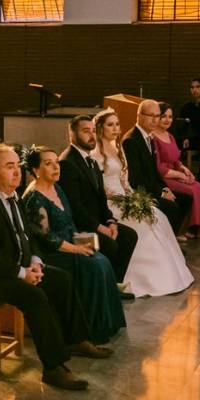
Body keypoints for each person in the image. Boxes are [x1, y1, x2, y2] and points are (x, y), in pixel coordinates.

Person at [0, 144, 109, 392]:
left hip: (13, 268)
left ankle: (76, 340)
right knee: (34, 296)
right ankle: (53, 368)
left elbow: (27, 236)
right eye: (9, 167)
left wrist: (35, 262)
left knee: (61, 279)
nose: (17, 172)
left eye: (17, 165)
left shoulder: (11, 196)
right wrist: (22, 274)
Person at [22, 146, 126, 344]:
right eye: (48, 163)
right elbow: (47, 238)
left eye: (56, 162)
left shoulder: (57, 187)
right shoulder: (34, 198)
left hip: (69, 241)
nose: (56, 167)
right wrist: (77, 249)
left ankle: (107, 323)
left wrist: (81, 239)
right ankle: (89, 331)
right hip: (50, 252)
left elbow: (69, 222)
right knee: (93, 265)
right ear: (36, 170)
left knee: (102, 260)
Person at [94, 109, 194, 297]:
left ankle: (170, 274)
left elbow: (125, 181)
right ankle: (139, 279)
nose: (115, 128)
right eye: (110, 124)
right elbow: (101, 188)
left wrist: (136, 199)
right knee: (143, 227)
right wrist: (121, 200)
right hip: (111, 202)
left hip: (126, 197)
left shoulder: (118, 148)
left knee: (158, 217)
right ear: (100, 128)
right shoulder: (96, 154)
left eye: (117, 124)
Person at [58, 115, 138, 290]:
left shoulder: (91, 161)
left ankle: (114, 285)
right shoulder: (67, 163)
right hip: (79, 228)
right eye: (86, 131)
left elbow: (101, 199)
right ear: (72, 134)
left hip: (97, 222)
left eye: (93, 131)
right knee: (110, 244)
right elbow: (75, 207)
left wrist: (110, 221)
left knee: (129, 236)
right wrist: (100, 227)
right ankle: (104, 287)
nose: (92, 136)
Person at [121, 100, 191, 237]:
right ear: (139, 115)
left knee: (186, 200)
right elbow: (136, 178)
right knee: (173, 206)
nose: (155, 120)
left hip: (153, 186)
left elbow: (154, 170)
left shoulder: (149, 136)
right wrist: (161, 193)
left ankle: (172, 238)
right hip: (140, 191)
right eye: (150, 116)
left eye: (157, 116)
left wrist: (165, 188)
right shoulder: (131, 140)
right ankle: (165, 239)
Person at [155, 103, 200, 238]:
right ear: (156, 117)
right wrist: (180, 175)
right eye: (163, 116)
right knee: (191, 190)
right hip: (164, 177)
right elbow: (159, 167)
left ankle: (196, 227)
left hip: (174, 172)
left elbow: (176, 159)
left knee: (198, 187)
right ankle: (183, 229)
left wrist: (184, 169)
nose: (167, 120)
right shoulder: (152, 138)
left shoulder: (170, 136)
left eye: (170, 116)